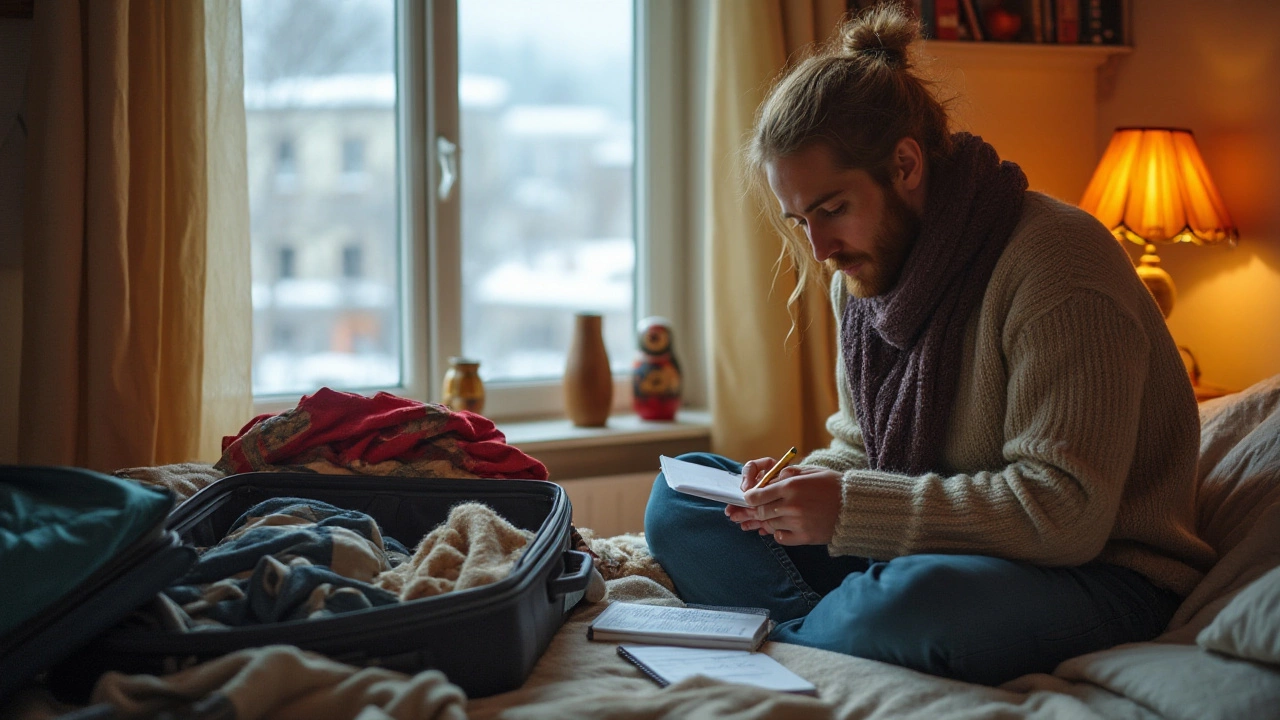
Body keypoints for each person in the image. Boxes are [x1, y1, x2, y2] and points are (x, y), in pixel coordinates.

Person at [644, 4, 1216, 686]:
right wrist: (793, 489)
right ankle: (826, 630)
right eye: (800, 220)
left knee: (916, 602)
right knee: (681, 502)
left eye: (831, 209)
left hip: (1096, 575)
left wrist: (849, 508)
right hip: (938, 545)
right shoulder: (860, 274)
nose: (819, 248)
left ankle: (804, 637)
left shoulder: (1058, 264)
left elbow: (1064, 513)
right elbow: (863, 451)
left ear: (906, 163)